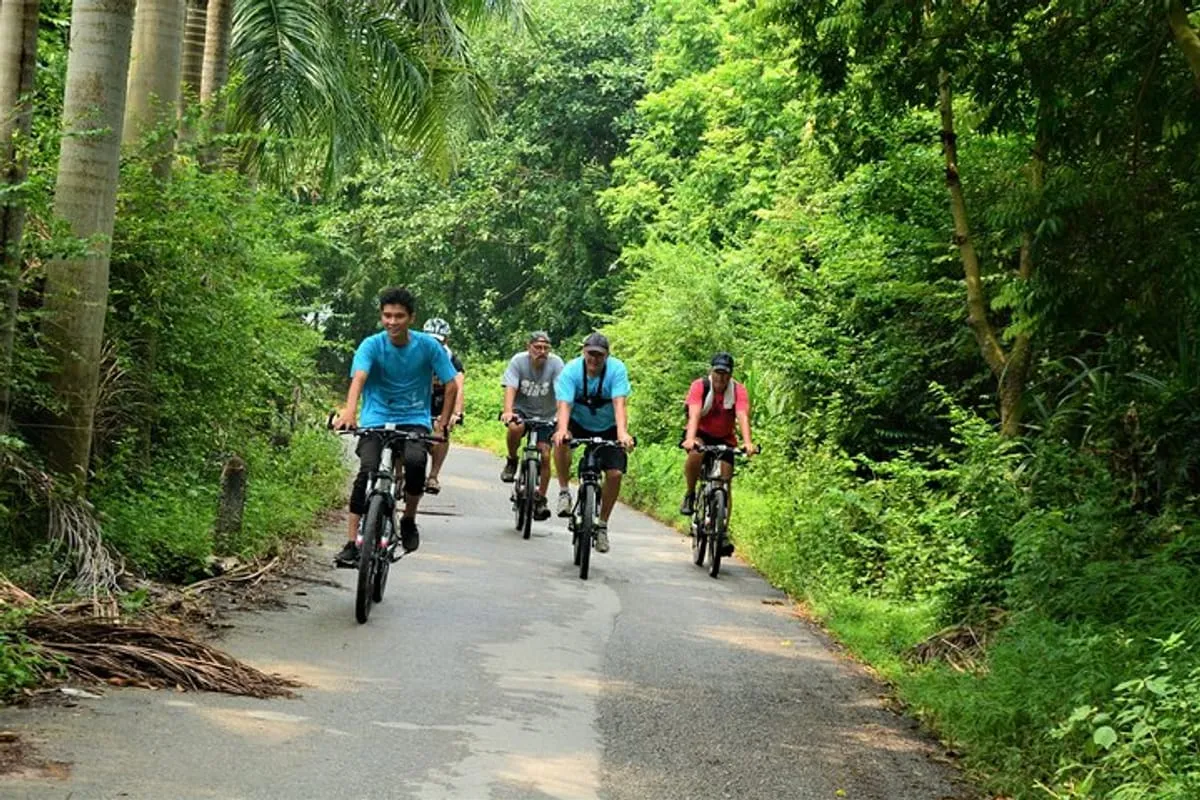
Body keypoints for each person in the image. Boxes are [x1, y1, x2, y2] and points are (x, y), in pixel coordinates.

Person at [332, 288, 459, 566]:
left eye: (399, 316)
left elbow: (451, 384)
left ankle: (409, 518)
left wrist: (441, 423)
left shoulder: (428, 346)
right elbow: (359, 378)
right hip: (376, 418)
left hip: (414, 418)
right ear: (381, 316)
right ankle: (353, 543)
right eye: (387, 316)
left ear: (411, 318)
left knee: (415, 462)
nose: (392, 322)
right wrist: (350, 411)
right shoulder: (371, 345)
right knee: (366, 471)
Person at [551, 333, 634, 553]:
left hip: (608, 426)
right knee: (560, 442)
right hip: (576, 421)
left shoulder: (616, 370)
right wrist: (562, 430)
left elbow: (619, 403)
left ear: (607, 356)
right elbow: (565, 405)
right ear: (583, 352)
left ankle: (603, 525)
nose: (594, 360)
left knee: (615, 474)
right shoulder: (571, 370)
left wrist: (623, 433)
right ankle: (563, 491)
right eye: (590, 354)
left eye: (599, 355)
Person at [680, 352, 756, 556]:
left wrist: (748, 443)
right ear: (711, 371)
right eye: (717, 372)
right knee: (695, 454)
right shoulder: (700, 386)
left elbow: (742, 416)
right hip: (701, 433)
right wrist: (690, 438)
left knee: (725, 479)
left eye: (725, 374)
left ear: (730, 375)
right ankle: (690, 493)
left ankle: (722, 531)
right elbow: (694, 413)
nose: (720, 378)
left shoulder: (738, 391)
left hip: (724, 438)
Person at [500, 331, 566, 521]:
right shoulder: (518, 361)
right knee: (515, 428)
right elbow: (510, 387)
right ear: (528, 347)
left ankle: (540, 498)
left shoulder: (556, 363)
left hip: (547, 415)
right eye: (537, 347)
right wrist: (508, 411)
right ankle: (512, 460)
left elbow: (562, 393)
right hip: (522, 411)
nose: (542, 351)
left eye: (546, 348)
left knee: (545, 454)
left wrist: (562, 420)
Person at [421, 317, 465, 495]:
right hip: (418, 398)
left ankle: (433, 476)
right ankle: (399, 473)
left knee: (442, 431)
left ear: (445, 340)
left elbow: (458, 387)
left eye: (438, 340)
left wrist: (456, 412)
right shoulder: (414, 352)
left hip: (441, 400)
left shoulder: (450, 358)